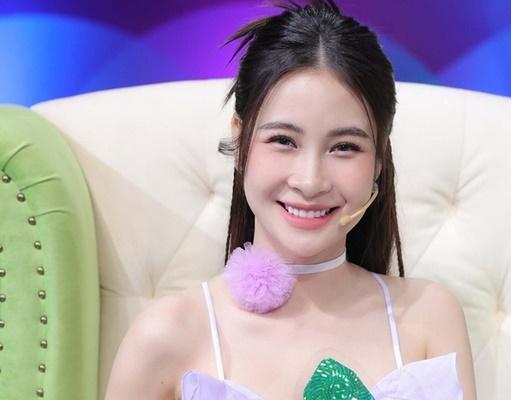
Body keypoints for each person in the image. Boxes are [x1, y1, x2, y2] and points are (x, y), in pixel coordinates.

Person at [104, 1, 477, 399]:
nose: (310, 181)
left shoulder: (429, 317)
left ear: (379, 161)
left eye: (345, 147)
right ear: (240, 140)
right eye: (283, 140)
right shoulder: (166, 336)